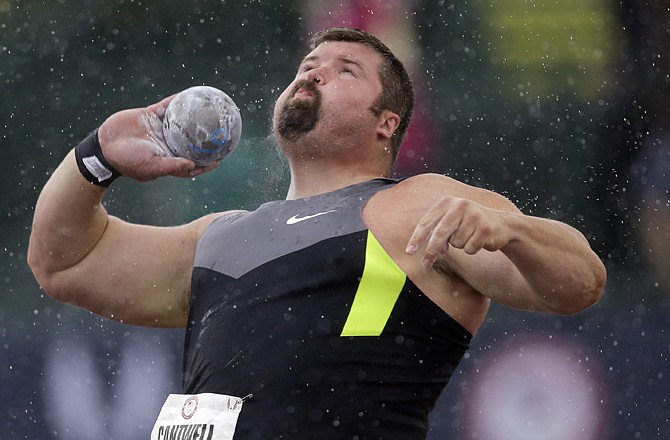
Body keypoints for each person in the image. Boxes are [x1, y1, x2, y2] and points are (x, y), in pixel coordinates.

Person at [28, 27, 606, 440]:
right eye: (309, 64)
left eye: (344, 69)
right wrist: (97, 156)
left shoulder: (419, 207)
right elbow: (64, 263)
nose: (313, 69)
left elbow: (579, 285)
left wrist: (514, 232)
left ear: (388, 123)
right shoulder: (222, 237)